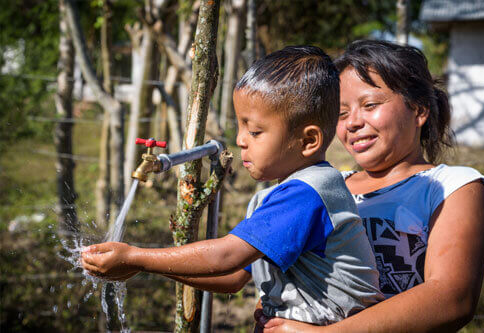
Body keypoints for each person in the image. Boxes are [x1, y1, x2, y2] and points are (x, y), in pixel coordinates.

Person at [81, 45, 384, 326]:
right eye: (240, 127)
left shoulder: (308, 195)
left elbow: (226, 257)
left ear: (307, 141)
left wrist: (137, 256)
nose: (240, 140)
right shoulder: (283, 197)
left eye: (254, 131)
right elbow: (235, 276)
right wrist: (148, 266)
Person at [255, 39, 484, 332]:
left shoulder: (453, 186)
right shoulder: (323, 187)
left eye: (370, 105)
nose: (353, 123)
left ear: (419, 110)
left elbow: (452, 298)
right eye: (341, 114)